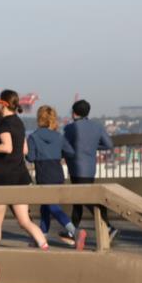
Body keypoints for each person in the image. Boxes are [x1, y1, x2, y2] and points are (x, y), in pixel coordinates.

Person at [0, 90, 50, 250]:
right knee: (25, 221)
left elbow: (7, 147)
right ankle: (44, 246)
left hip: (2, 177)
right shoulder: (19, 122)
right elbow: (24, 150)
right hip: (20, 175)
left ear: (3, 104)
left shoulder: (3, 123)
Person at [26, 105, 87, 250]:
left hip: (43, 174)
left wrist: (26, 151)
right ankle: (42, 238)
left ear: (39, 118)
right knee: (45, 208)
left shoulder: (33, 137)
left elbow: (31, 157)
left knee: (51, 206)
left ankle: (74, 232)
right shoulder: (59, 136)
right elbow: (71, 152)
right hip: (58, 174)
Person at [63, 99, 117, 245]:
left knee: (85, 200)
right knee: (78, 201)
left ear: (74, 112)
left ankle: (109, 226)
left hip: (76, 168)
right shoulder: (97, 126)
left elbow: (65, 147)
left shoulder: (70, 128)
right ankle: (72, 232)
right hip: (90, 168)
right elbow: (109, 144)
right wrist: (93, 147)